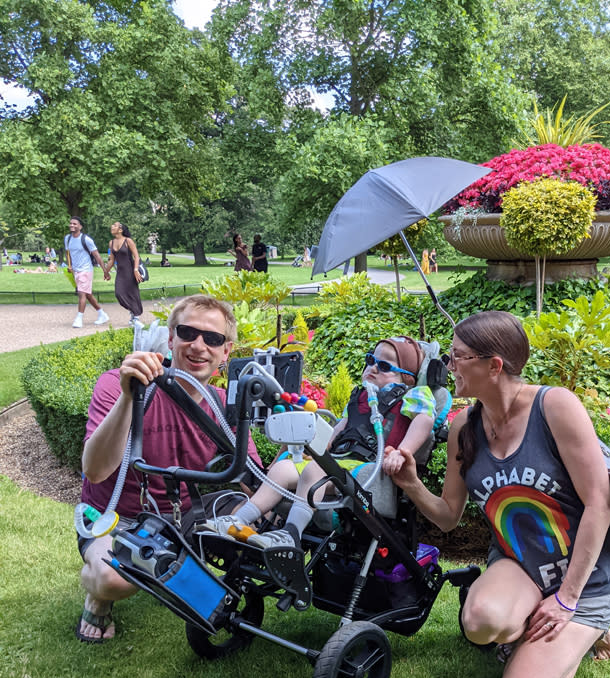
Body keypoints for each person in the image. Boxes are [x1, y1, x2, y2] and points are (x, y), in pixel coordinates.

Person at [389, 311, 610, 678]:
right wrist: (411, 483)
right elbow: (448, 516)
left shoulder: (555, 407)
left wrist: (567, 600)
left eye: (457, 357)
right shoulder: (465, 426)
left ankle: (587, 630)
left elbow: (599, 504)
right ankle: (536, 620)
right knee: (479, 623)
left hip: (585, 579)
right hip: (521, 564)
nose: (448, 366)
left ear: (493, 365)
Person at [75, 294, 262, 643]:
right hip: (118, 518)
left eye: (213, 338)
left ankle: (181, 568)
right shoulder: (120, 383)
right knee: (113, 578)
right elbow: (96, 471)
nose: (199, 346)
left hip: (182, 518)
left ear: (227, 351)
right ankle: (98, 596)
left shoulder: (223, 406)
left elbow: (250, 476)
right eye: (188, 333)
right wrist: (128, 397)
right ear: (171, 337)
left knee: (257, 523)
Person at [208, 337, 436, 572]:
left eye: (386, 366)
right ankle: (241, 520)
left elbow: (424, 421)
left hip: (371, 470)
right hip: (340, 465)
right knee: (283, 468)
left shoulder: (415, 395)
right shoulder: (359, 398)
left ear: (407, 378)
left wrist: (402, 452)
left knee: (316, 470)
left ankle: (291, 535)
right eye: (371, 360)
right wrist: (318, 451)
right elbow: (339, 430)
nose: (374, 368)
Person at [64, 217, 109, 329]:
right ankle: (102, 314)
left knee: (81, 294)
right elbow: (68, 253)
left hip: (86, 270)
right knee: (87, 294)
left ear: (80, 226)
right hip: (75, 271)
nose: (72, 225)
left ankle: (79, 318)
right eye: (71, 223)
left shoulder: (86, 240)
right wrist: (69, 265)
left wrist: (105, 271)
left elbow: (97, 255)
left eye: (75, 224)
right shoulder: (67, 238)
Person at [103, 222, 144, 324]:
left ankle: (135, 317)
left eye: (115, 225)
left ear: (120, 230)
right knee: (119, 294)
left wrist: (135, 270)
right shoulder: (111, 243)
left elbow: (136, 256)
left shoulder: (128, 241)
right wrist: (106, 272)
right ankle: (133, 311)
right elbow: (111, 260)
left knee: (133, 294)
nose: (112, 226)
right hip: (120, 273)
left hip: (130, 271)